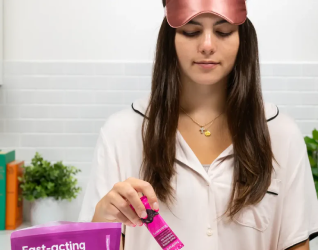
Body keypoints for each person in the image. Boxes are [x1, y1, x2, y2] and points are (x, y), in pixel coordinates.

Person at [78, 0, 318, 249]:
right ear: (169, 39)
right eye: (191, 31)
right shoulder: (122, 132)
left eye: (223, 32)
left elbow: (294, 243)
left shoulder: (281, 133)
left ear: (243, 38)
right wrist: (102, 220)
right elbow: (98, 241)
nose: (207, 45)